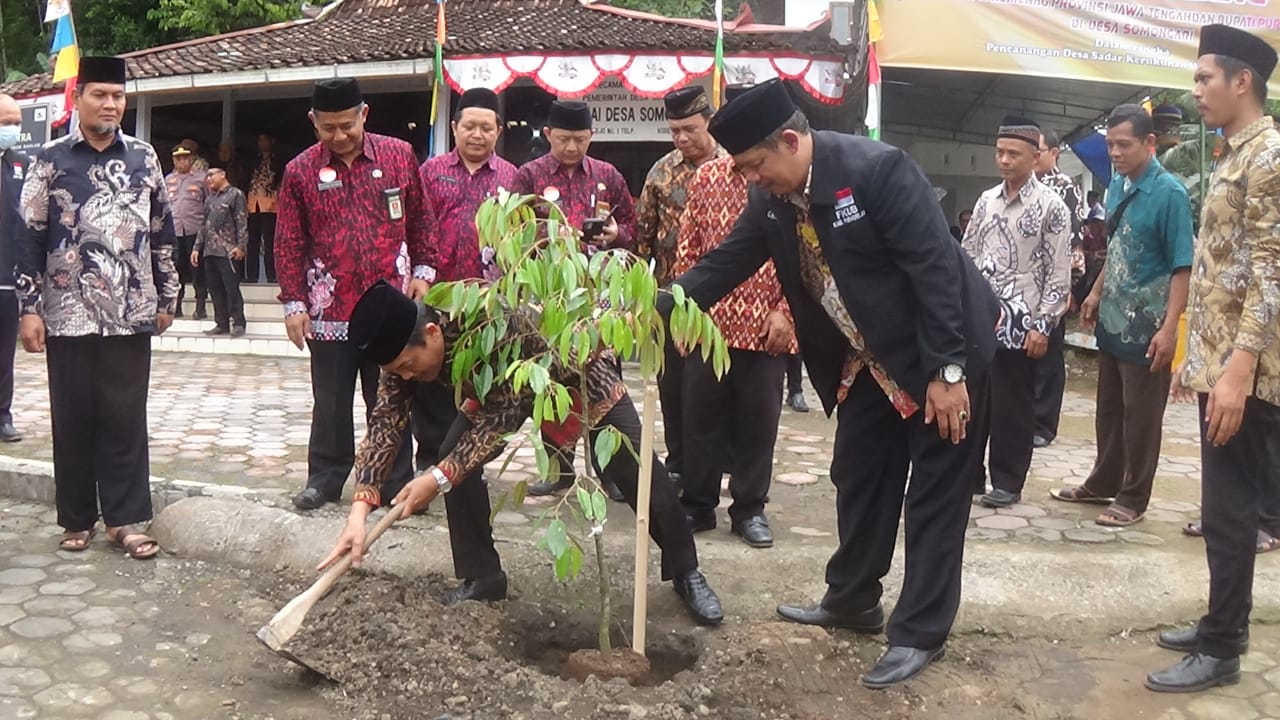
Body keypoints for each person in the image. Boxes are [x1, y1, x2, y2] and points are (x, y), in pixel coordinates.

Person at [667, 79, 998, 689]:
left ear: (790, 141)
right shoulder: (771, 202)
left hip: (942, 350)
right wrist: (651, 305)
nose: (749, 179)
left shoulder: (877, 171)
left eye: (754, 165)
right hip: (871, 357)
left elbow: (935, 269)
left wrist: (948, 372)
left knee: (934, 494)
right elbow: (721, 267)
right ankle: (852, 599)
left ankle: (920, 632)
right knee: (858, 473)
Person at [318, 282, 725, 625]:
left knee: (636, 467)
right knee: (452, 459)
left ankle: (687, 570)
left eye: (410, 364)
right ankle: (483, 577)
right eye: (399, 371)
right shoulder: (401, 353)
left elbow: (504, 417)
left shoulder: (490, 315)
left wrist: (438, 477)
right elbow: (385, 422)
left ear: (433, 332)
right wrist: (358, 511)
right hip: (492, 392)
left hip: (571, 371)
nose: (408, 376)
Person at [1146, 24, 1280, 694]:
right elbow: (1219, 270)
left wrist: (1238, 368)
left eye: (1204, 79)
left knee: (1232, 510)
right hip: (1220, 363)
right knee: (1222, 506)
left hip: (1248, 374)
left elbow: (1273, 271)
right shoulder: (1234, 154)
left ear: (1242, 82)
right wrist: (1194, 361)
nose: (1194, 91)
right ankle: (1218, 621)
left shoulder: (1270, 156)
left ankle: (1224, 647)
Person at [15, 56, 177, 559]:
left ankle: (126, 520)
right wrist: (29, 306)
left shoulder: (144, 157)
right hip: (65, 312)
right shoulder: (50, 159)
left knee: (126, 416)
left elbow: (162, 231)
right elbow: (27, 236)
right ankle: (78, 517)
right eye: (99, 95)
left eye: (118, 96)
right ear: (78, 97)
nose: (110, 104)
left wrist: (169, 294)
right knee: (73, 415)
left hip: (130, 311)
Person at [275, 77, 431, 511]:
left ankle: (393, 480)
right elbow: (288, 241)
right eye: (329, 128)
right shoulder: (300, 171)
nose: (339, 135)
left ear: (364, 114)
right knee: (330, 401)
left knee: (389, 398)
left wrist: (423, 270)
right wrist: (294, 303)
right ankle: (324, 479)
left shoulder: (399, 156)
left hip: (390, 306)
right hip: (329, 309)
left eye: (347, 125)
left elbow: (420, 218)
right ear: (314, 122)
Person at [1049, 104, 1193, 528]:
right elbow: (1117, 248)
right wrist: (1094, 293)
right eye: (1110, 144)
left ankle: (1133, 497)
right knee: (1109, 411)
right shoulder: (1117, 185)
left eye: (1123, 145)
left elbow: (1182, 265)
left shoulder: (1170, 195)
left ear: (1150, 144)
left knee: (1142, 417)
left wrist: (1170, 330)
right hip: (1114, 319)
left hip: (1150, 327)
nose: (1114, 152)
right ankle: (1102, 482)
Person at [674, 124, 795, 548]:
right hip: (708, 323)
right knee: (700, 418)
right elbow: (688, 248)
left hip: (767, 327)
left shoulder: (784, 181)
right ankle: (698, 504)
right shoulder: (706, 177)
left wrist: (786, 312)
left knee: (759, 422)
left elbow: (804, 255)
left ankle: (749, 509)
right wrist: (683, 314)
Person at [513, 100, 635, 499]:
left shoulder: (607, 175)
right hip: (547, 300)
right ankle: (558, 471)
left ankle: (611, 474)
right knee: (551, 386)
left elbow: (633, 227)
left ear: (591, 137)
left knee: (604, 388)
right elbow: (512, 234)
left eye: (580, 140)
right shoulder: (528, 176)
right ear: (548, 135)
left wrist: (615, 236)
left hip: (599, 301)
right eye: (564, 139)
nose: (571, 147)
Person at [962, 116, 1071, 509]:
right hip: (982, 319)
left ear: (1035, 156)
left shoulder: (1052, 207)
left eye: (1014, 154)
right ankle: (968, 476)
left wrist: (1043, 325)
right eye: (1000, 153)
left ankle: (1007, 481)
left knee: (1013, 407)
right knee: (972, 403)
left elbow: (1059, 273)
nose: (1005, 161)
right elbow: (969, 256)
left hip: (1023, 322)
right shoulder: (986, 201)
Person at [411, 88, 516, 475]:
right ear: (454, 127)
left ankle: (468, 463)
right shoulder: (431, 171)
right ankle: (429, 458)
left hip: (488, 302)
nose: (477, 134)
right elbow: (416, 227)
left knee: (479, 383)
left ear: (498, 131)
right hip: (437, 296)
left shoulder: (512, 177)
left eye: (486, 127)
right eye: (469, 126)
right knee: (432, 379)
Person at [634, 86, 725, 488]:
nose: (682, 138)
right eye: (674, 131)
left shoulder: (735, 164)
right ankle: (680, 463)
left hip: (726, 300)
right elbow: (642, 239)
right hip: (671, 297)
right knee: (674, 387)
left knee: (720, 389)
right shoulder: (661, 173)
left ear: (709, 121)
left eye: (690, 128)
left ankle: (723, 466)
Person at [1031, 128, 1087, 449]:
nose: (1035, 156)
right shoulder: (1022, 186)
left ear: (1054, 152)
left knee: (1048, 356)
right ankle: (1024, 418)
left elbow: (1070, 242)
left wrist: (1066, 287)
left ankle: (1043, 423)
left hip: (1051, 286)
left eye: (1040, 150)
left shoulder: (1064, 188)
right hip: (1021, 289)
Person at [194, 165, 249, 337]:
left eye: (211, 175)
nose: (208, 179)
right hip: (210, 251)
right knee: (214, 288)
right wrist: (196, 248)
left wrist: (241, 245)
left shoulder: (236, 194)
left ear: (222, 175)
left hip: (228, 250)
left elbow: (242, 221)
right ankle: (221, 323)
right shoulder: (210, 199)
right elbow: (203, 224)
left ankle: (238, 322)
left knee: (231, 287)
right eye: (207, 176)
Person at [0, 94, 26, 443]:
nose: (12, 129)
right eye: (6, 122)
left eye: (16, 123)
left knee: (5, 353)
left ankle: (2, 416)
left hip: (8, 278)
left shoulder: (23, 165)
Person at [166, 145, 208, 319]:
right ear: (174, 161)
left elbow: (209, 203)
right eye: (178, 158)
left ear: (191, 160)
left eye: (185, 158)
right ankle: (177, 305)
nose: (182, 161)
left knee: (197, 269)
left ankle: (200, 306)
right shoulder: (168, 179)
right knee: (176, 270)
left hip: (195, 230)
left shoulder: (202, 178)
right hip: (175, 230)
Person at [244, 133, 283, 283]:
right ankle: (251, 276)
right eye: (260, 140)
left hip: (271, 204)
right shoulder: (254, 160)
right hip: (254, 204)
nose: (262, 143)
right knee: (252, 241)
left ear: (272, 141)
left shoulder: (278, 160)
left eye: (265, 140)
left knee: (270, 241)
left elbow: (282, 180)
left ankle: (272, 275)